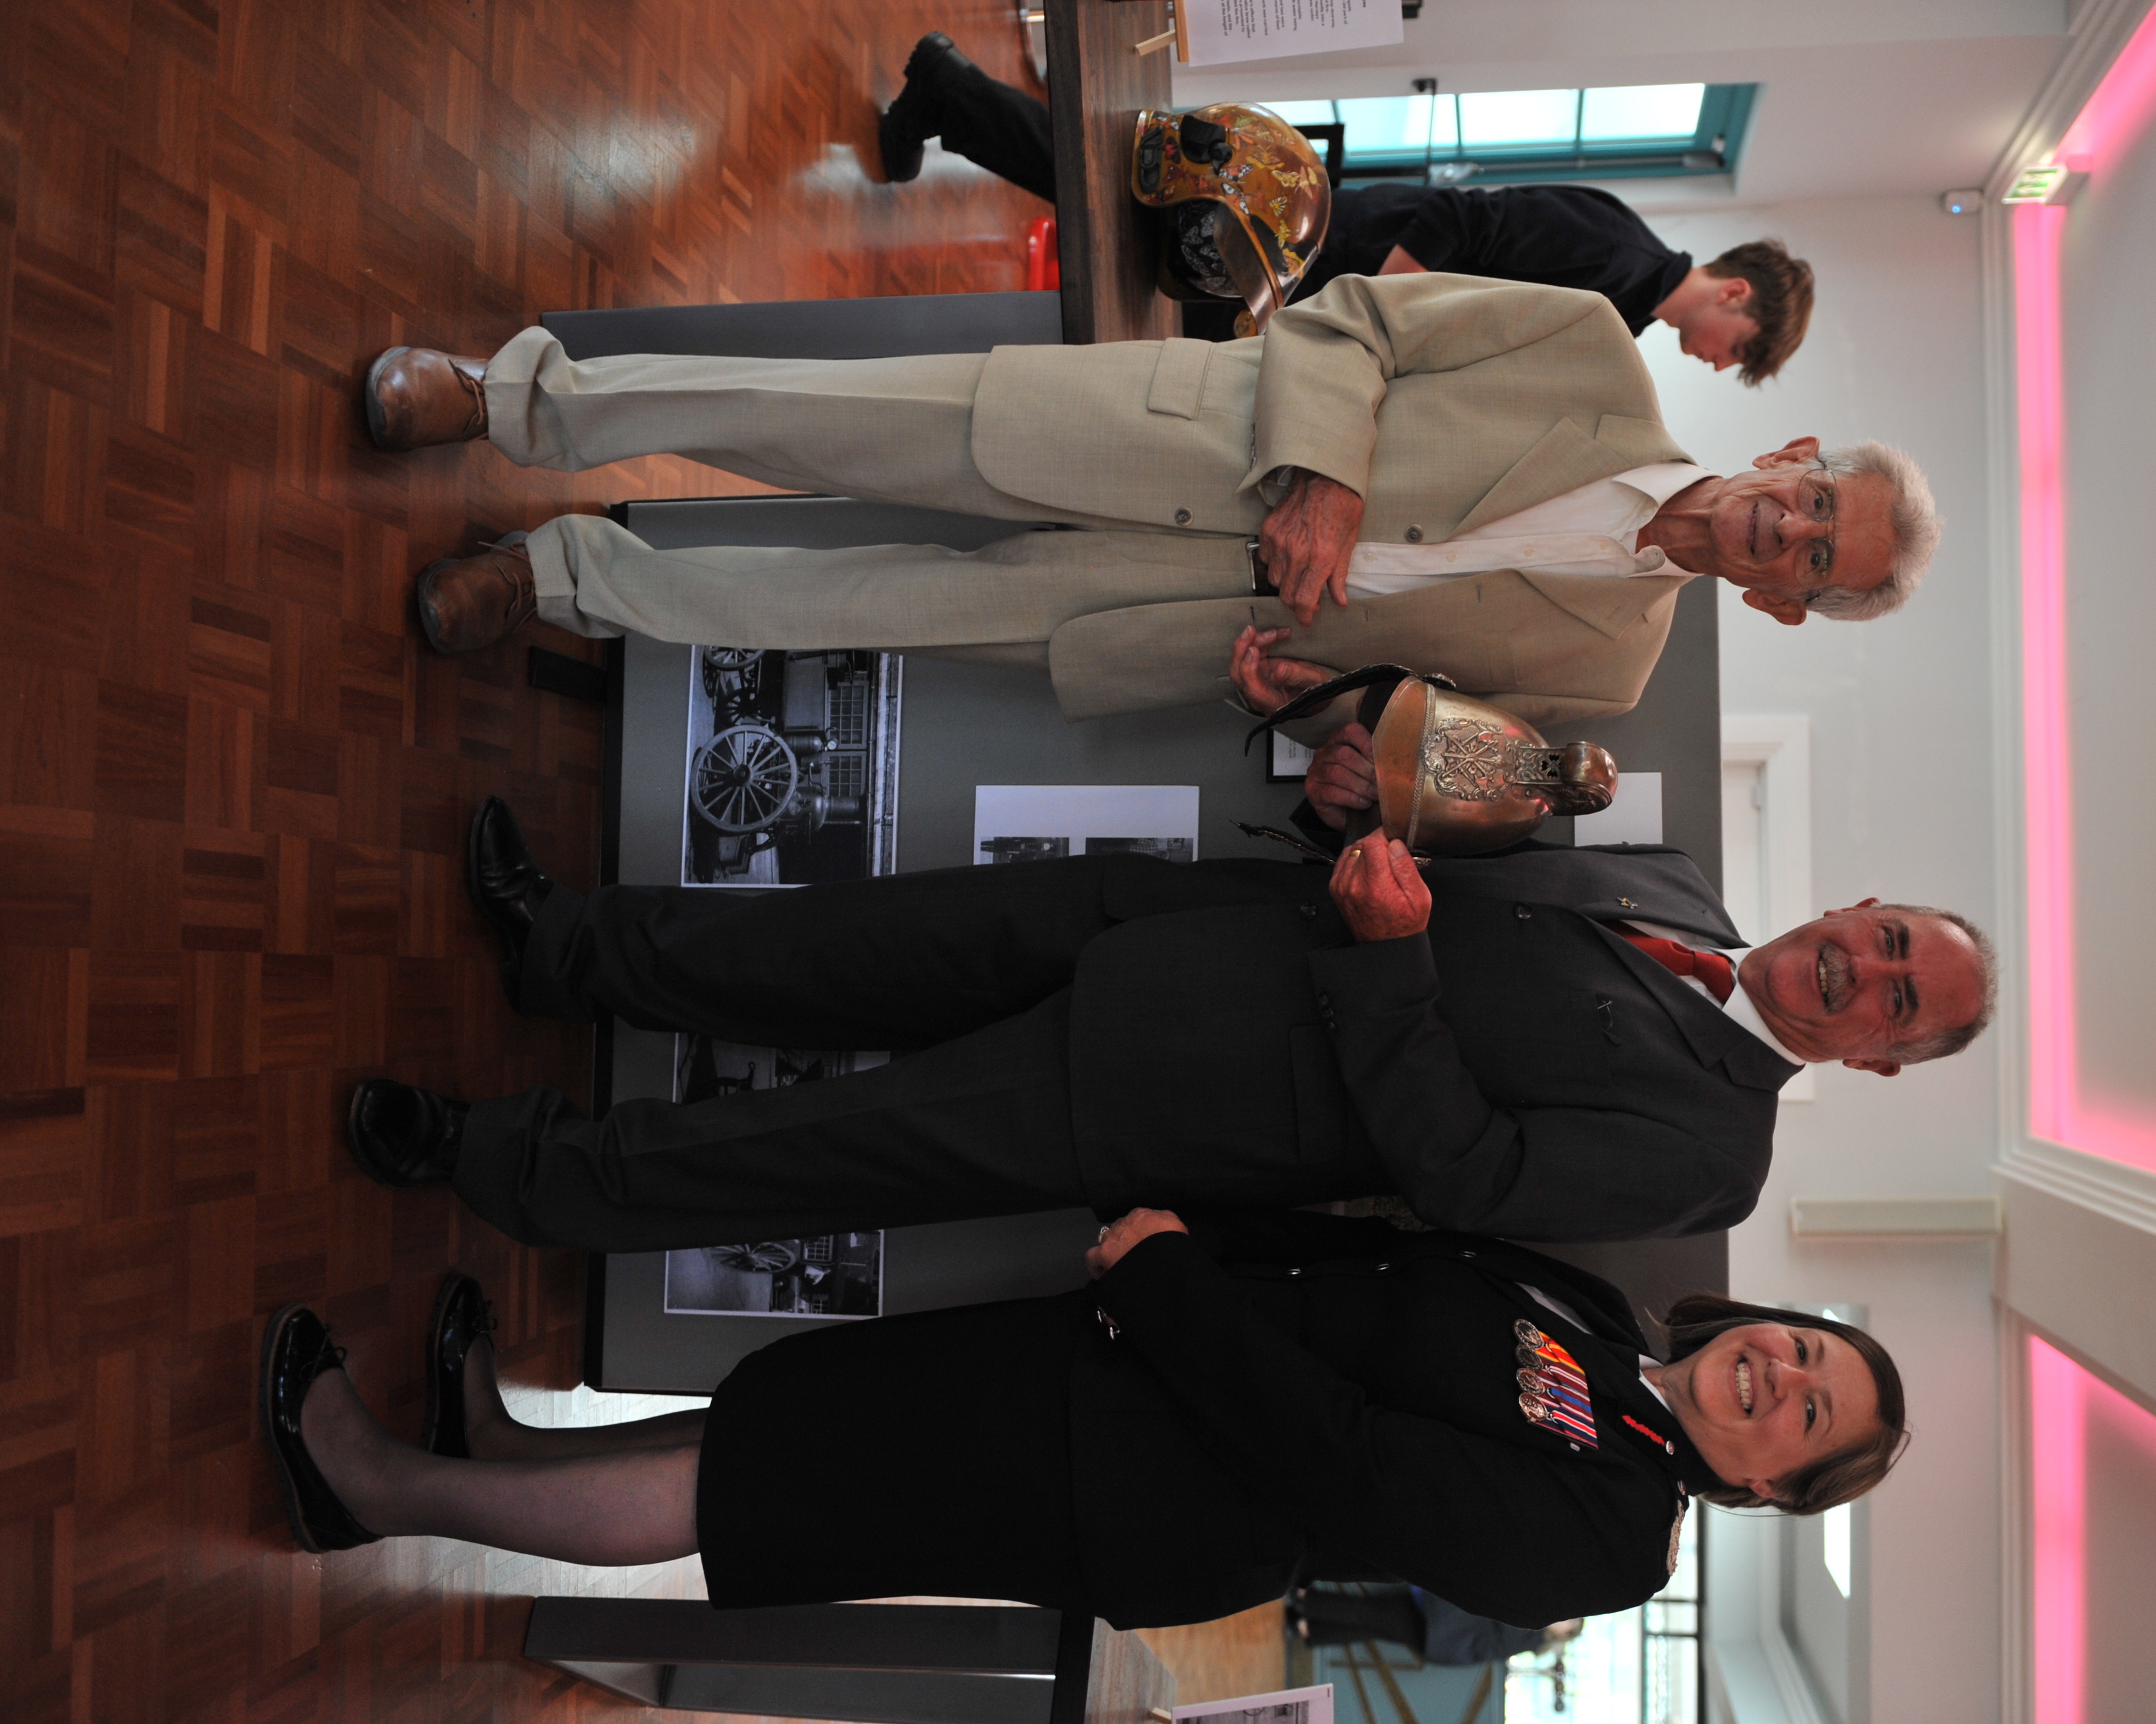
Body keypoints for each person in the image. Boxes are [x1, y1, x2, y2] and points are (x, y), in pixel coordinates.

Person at [340, 793, 1996, 1249]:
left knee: (798, 1149)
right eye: (1893, 935)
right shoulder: (1685, 885)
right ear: (1862, 903)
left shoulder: (1715, 1161)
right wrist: (1374, 798)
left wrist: (1386, 963)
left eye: (1903, 1002)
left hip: (1179, 1100)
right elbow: (1468, 869)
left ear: (1884, 1063)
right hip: (1167, 920)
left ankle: (506, 1168)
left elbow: (1471, 1179)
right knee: (828, 946)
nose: (1872, 967)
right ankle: (567, 946)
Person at [366, 271, 1938, 738]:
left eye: (1812, 559)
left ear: (1790, 603)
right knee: (808, 416)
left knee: (832, 610)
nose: (1784, 531)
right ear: (1791, 451)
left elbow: (1395, 722)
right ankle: (515, 399)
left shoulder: (1607, 680)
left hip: (1172, 623)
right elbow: (1351, 323)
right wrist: (1324, 475)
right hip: (1162, 444)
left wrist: (1306, 701)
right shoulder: (1588, 343)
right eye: (1812, 502)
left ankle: (559, 579)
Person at [258, 1209, 1911, 1631]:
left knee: (762, 1483)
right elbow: (1377, 1262)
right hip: (1131, 1354)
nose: (1777, 1372)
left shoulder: (1622, 1537)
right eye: (1801, 1347)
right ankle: (486, 1443)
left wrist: (1185, 1295)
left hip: (1133, 1479)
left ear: (1784, 1482)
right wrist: (1185, 1260)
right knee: (785, 1409)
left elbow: (1357, 1465)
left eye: (1805, 1411)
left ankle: (378, 1485)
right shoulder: (1606, 1327)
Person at [875, 33, 1813, 382]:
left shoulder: (1625, 302)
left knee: (1127, 242)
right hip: (1336, 263)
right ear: (1735, 295)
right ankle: (949, 85)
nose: (1719, 364)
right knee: (1124, 221)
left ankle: (948, 95)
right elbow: (1461, 224)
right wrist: (1372, 311)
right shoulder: (1616, 251)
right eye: (1740, 353)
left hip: (1334, 281)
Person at [1290, 1584, 1584, 1666]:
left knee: (1370, 1615)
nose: (1562, 1618)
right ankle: (1311, 1628)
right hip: (1440, 1630)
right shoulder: (1531, 1636)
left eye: (1568, 1622)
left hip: (1439, 1627)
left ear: (1564, 1634)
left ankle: (1309, 1605)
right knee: (1371, 1624)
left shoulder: (1530, 1636)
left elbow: (1493, 1631)